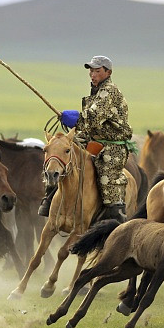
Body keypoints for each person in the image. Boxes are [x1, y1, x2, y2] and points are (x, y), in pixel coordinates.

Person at [38, 55, 134, 223]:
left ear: (108, 72)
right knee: (61, 152)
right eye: (91, 71)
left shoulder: (109, 91)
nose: (92, 74)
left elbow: (93, 118)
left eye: (97, 71)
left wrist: (75, 120)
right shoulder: (96, 91)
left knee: (107, 177)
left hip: (112, 145)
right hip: (92, 138)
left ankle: (116, 217)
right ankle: (51, 194)